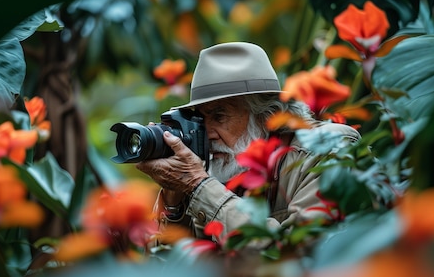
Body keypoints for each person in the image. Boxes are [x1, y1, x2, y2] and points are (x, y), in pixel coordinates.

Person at [136, 42, 360, 239]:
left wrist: (199, 186)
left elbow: (298, 254)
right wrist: (174, 203)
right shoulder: (222, 169)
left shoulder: (330, 148)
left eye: (219, 116)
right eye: (200, 119)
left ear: (266, 117)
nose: (207, 133)